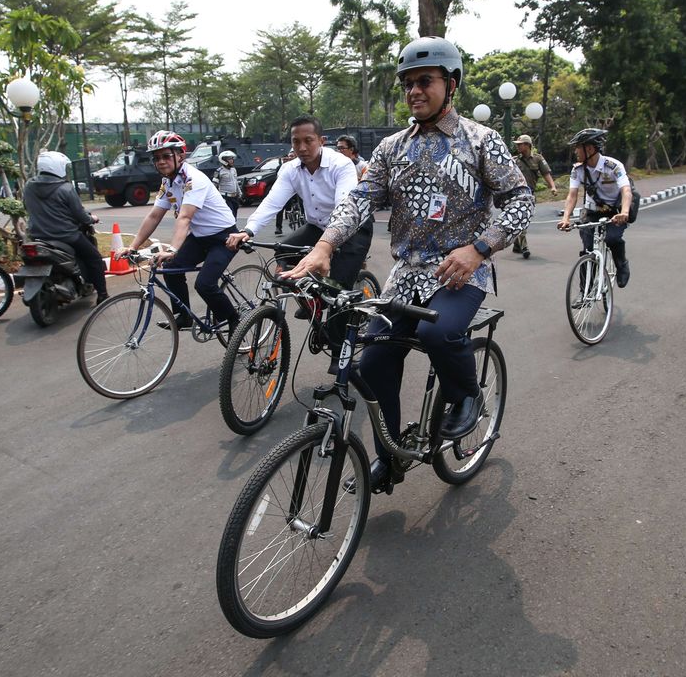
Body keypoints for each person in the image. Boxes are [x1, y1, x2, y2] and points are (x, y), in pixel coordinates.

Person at [283, 36, 534, 492]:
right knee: (373, 363)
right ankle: (390, 457)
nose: (415, 91)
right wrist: (325, 245)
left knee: (438, 332)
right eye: (408, 84)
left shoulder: (482, 141)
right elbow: (361, 200)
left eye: (426, 81)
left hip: (462, 270)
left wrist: (480, 247)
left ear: (451, 84)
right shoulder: (391, 148)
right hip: (406, 276)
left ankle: (467, 396)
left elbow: (520, 200)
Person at [227, 115, 369, 350]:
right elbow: (273, 202)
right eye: (296, 141)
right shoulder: (290, 169)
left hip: (352, 227)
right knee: (282, 253)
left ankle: (338, 353)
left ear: (321, 140)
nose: (302, 148)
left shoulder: (340, 165)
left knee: (340, 288)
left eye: (308, 140)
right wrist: (248, 231)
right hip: (317, 226)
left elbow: (344, 207)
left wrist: (326, 249)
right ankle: (313, 302)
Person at [118, 131, 239, 330]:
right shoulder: (168, 182)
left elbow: (184, 218)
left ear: (180, 156)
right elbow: (154, 216)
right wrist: (132, 247)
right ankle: (183, 316)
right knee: (170, 269)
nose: (161, 162)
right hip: (200, 237)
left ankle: (235, 321)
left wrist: (173, 249)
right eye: (157, 158)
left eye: (166, 156)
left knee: (204, 284)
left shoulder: (194, 179)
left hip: (224, 237)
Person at [22, 150, 108, 305]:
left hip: (37, 237)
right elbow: (80, 215)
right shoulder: (66, 188)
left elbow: (26, 207)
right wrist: (91, 218)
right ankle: (103, 295)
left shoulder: (29, 186)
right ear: (57, 167)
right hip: (66, 236)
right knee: (94, 258)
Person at [556, 128, 633, 287]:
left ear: (589, 148)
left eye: (578, 147)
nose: (576, 150)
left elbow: (626, 190)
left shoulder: (613, 166)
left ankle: (622, 265)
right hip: (591, 212)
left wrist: (624, 212)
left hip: (615, 212)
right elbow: (572, 195)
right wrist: (566, 218)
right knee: (587, 249)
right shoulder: (577, 169)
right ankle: (585, 291)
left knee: (612, 238)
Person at [511, 134, 558, 258]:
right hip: (516, 194)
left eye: (520, 144)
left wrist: (552, 186)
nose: (518, 146)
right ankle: (524, 247)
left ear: (527, 145)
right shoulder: (514, 160)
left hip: (529, 194)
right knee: (521, 219)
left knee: (523, 219)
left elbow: (546, 173)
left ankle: (517, 243)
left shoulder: (537, 159)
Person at [212, 150, 241, 216]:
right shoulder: (219, 171)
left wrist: (239, 192)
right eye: (229, 159)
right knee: (230, 214)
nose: (232, 161)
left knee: (235, 214)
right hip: (225, 197)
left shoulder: (233, 170)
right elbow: (214, 185)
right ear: (223, 160)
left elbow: (235, 182)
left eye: (232, 159)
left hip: (234, 197)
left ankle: (234, 225)